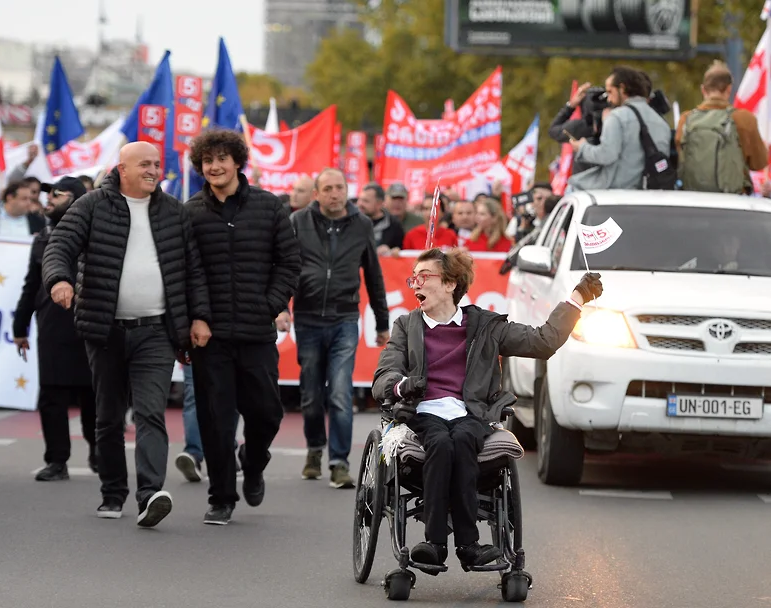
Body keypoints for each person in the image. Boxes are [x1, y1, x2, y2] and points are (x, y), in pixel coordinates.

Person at [372, 248, 603, 570]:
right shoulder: (406, 326)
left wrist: (577, 299)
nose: (415, 284)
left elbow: (542, 342)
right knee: (439, 442)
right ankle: (435, 543)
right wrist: (401, 385)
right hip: (424, 410)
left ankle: (469, 546)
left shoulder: (486, 326)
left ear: (451, 283)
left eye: (424, 276)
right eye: (414, 277)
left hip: (472, 412)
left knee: (464, 440)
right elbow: (386, 372)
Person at [41, 142, 211, 528]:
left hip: (156, 331)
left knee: (151, 412)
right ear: (123, 168)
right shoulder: (92, 205)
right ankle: (113, 491)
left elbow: (194, 271)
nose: (153, 170)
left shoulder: (174, 212)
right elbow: (60, 245)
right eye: (145, 164)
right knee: (109, 416)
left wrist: (199, 317)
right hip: (105, 329)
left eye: (157, 164)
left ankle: (151, 494)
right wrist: (60, 279)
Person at [184, 129, 301, 525]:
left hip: (256, 332)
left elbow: (289, 263)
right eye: (207, 160)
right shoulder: (191, 212)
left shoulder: (269, 207)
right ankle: (221, 496)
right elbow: (187, 271)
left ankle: (252, 463)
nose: (214, 166)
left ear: (237, 162)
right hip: (209, 336)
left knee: (267, 413)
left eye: (222, 158)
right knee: (215, 419)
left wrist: (269, 305)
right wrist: (196, 317)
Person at [282, 168, 389, 487]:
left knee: (341, 392)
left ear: (347, 190)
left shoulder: (362, 224)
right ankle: (315, 448)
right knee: (311, 393)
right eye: (327, 188)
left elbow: (374, 274)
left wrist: (382, 322)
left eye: (339, 187)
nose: (334, 193)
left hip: (344, 318)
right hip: (308, 317)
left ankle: (339, 461)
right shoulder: (298, 222)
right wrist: (279, 307)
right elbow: (284, 266)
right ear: (316, 193)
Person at [13, 176, 97, 482]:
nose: (48, 200)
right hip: (51, 328)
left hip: (90, 325)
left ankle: (98, 452)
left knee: (93, 396)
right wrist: (19, 326)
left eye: (57, 195)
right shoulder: (42, 238)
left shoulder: (97, 234)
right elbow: (31, 285)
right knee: (52, 396)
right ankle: (57, 461)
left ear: (75, 200)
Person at [568, 66, 670, 191]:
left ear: (622, 88)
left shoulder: (617, 117)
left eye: (610, 92)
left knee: (573, 186)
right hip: (650, 192)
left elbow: (606, 155)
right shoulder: (661, 122)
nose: (608, 99)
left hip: (616, 193)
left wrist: (582, 147)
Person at [676, 61, 768, 194]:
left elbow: (680, 157)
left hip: (693, 199)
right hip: (732, 202)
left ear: (703, 89)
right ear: (729, 89)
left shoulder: (686, 119)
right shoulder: (744, 119)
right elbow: (758, 163)